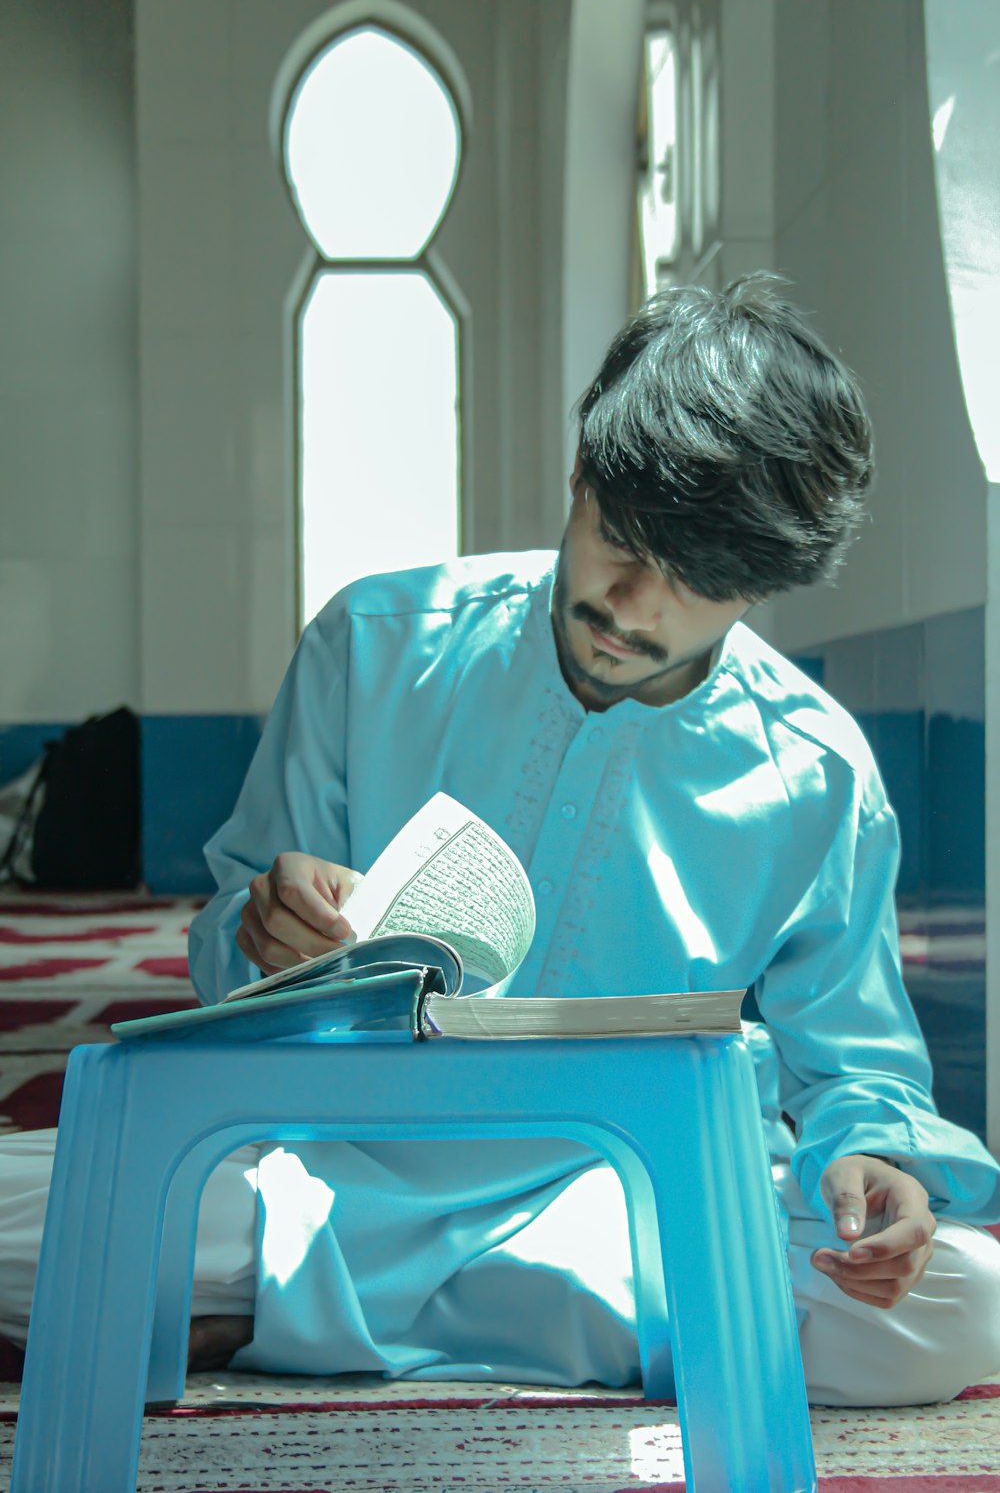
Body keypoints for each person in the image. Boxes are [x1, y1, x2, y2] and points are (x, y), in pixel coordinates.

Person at [2, 274, 999, 1401]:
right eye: (618, 539)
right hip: (323, 1175)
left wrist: (872, 1168)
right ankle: (467, 1316)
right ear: (579, 473)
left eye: (698, 582)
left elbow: (854, 1069)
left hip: (624, 1201)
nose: (633, 603)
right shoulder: (371, 646)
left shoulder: (814, 774)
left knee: (963, 1303)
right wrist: (262, 929)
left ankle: (286, 1317)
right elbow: (228, 959)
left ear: (760, 588)